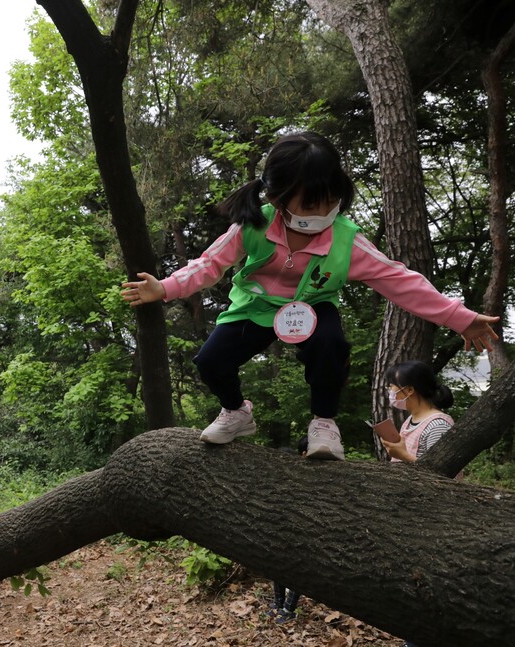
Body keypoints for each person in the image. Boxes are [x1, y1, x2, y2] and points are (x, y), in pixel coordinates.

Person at [120, 131, 499, 461]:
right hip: (255, 307)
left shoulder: (347, 240)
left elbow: (400, 280)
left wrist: (460, 317)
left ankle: (323, 423)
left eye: (330, 200)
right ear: (278, 197)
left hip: (315, 308)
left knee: (331, 345)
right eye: (310, 204)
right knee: (210, 361)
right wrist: (165, 287)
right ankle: (236, 412)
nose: (323, 212)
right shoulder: (252, 224)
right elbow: (209, 264)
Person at [381, 361, 455, 463]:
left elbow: (440, 472)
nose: (390, 391)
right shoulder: (412, 419)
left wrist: (403, 456)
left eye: (391, 386)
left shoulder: (438, 426)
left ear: (410, 390)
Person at [268, 436, 307, 623]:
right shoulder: (276, 485)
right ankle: (278, 603)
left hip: (298, 536)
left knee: (295, 570)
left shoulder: (300, 482)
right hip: (280, 533)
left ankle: (289, 609)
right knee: (277, 567)